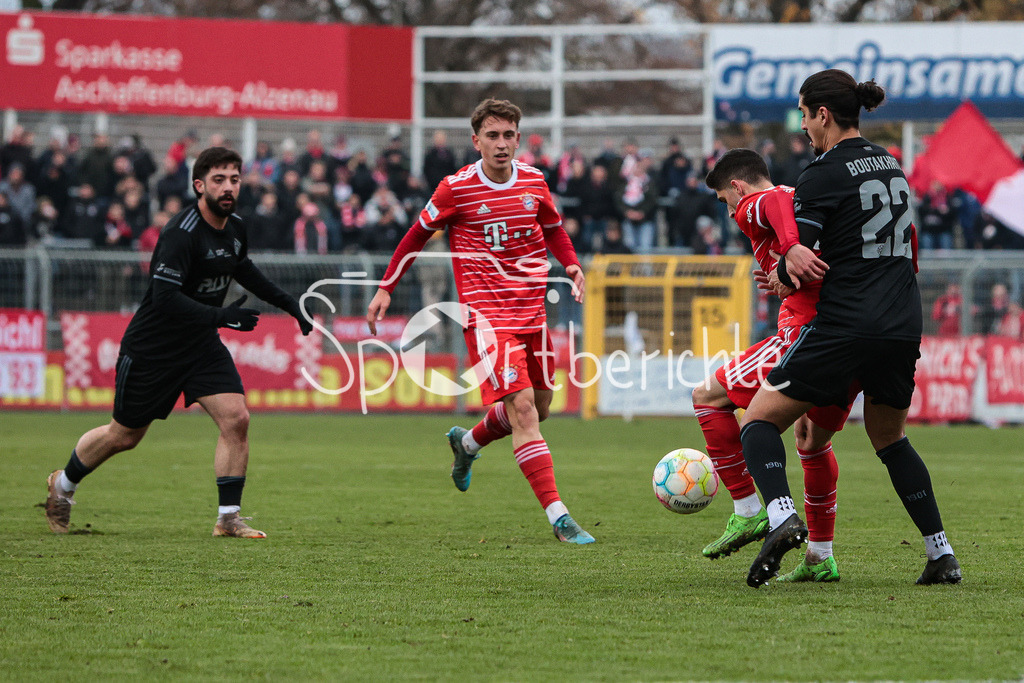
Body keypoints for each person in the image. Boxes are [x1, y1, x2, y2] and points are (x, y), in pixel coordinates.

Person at [738, 69, 959, 587]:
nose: (803, 124)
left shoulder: (821, 173)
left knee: (758, 421)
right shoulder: (892, 165)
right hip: (902, 321)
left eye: (804, 113)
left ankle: (782, 516)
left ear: (823, 114)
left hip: (847, 323)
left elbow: (802, 255)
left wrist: (780, 275)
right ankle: (940, 553)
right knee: (891, 439)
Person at [44, 147, 313, 538]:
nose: (228, 188)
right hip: (154, 348)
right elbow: (166, 300)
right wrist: (222, 316)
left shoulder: (235, 228)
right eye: (219, 180)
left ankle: (228, 519)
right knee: (124, 435)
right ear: (199, 185)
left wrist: (289, 303)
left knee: (236, 419)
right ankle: (63, 486)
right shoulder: (180, 234)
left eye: (234, 180)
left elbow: (244, 269)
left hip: (200, 345)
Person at [366, 98, 594, 544]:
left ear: (518, 139)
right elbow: (416, 235)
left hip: (532, 313)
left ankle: (467, 443)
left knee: (540, 408)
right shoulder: (456, 189)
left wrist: (570, 264)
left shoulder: (534, 182)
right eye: (492, 135)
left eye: (509, 135)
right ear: (476, 142)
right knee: (524, 409)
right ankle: (560, 516)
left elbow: (552, 228)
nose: (502, 143)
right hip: (486, 318)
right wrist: (386, 287)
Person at [699, 148, 853, 582]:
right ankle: (820, 556)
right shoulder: (800, 199)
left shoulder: (758, 202)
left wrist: (789, 251)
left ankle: (749, 510)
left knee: (707, 397)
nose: (731, 215)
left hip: (800, 337)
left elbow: (772, 204)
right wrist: (782, 272)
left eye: (726, 203)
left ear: (737, 187)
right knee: (810, 441)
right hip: (833, 332)